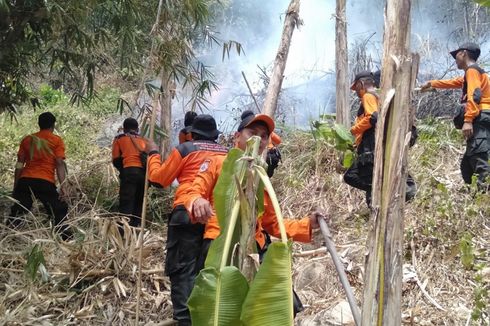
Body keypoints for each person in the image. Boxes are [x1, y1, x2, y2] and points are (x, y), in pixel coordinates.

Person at [184, 110, 326, 318]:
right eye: (253, 132)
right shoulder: (218, 163)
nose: (259, 138)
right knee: (221, 311)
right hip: (221, 248)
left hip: (256, 249)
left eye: (264, 135)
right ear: (237, 136)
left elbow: (271, 222)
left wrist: (307, 224)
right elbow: (193, 189)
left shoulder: (260, 175)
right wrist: (196, 200)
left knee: (285, 306)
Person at [146, 114, 228, 326]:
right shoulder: (228, 153)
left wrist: (153, 154)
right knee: (206, 271)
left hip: (187, 209)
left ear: (192, 133)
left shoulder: (186, 149)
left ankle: (185, 320)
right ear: (215, 135)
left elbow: (159, 179)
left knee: (182, 269)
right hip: (217, 218)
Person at [421, 42, 490, 191]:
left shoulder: (472, 71)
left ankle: (484, 198)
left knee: (480, 160)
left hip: (479, 118)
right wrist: (431, 83)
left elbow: (475, 96)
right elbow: (454, 82)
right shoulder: (473, 73)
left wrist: (468, 120)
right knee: (467, 165)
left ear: (463, 53)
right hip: (481, 117)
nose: (455, 59)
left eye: (456, 55)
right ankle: (475, 196)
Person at [344, 71, 417, 206]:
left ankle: (384, 192)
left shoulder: (368, 96)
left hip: (370, 148)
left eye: (356, 88)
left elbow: (373, 117)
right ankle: (386, 194)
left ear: (361, 84)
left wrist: (353, 130)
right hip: (374, 146)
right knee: (374, 178)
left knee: (352, 176)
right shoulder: (379, 96)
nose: (356, 92)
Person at [8, 112, 70, 239]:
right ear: (53, 125)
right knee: (57, 210)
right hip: (45, 181)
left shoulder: (27, 139)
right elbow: (59, 163)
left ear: (39, 124)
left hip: (26, 180)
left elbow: (19, 164)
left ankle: (8, 236)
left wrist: (16, 185)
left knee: (18, 211)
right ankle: (66, 239)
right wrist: (63, 185)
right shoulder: (56, 140)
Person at [112, 118, 147, 227]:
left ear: (124, 128)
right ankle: (137, 228)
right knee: (139, 201)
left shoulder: (119, 139)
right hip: (142, 174)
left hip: (128, 171)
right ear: (137, 128)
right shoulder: (143, 140)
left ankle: (124, 231)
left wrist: (123, 171)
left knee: (126, 201)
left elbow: (116, 159)